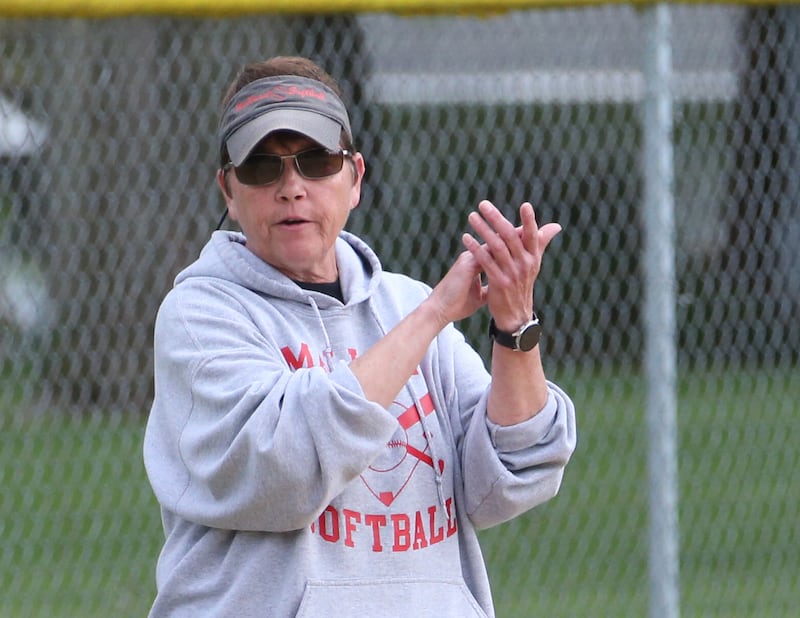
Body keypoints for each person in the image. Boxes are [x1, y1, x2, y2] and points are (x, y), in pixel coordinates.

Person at [143, 55, 577, 618]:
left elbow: (510, 476)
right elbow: (287, 470)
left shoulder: (404, 302)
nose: (291, 187)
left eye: (316, 161)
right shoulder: (202, 316)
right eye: (261, 167)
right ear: (228, 189)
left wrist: (514, 325)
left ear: (356, 178)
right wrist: (435, 315)